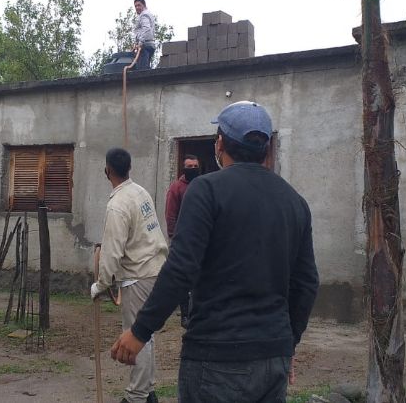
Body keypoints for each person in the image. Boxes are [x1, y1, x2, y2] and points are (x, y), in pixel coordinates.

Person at [110, 101, 319, 403]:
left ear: (220, 144)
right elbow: (306, 283)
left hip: (216, 357)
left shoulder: (206, 190)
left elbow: (181, 269)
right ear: (266, 148)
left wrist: (140, 331)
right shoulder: (295, 202)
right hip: (273, 356)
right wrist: (288, 344)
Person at [90, 148, 168, 403]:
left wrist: (101, 284)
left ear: (107, 170)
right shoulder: (140, 192)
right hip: (155, 270)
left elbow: (112, 251)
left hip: (138, 276)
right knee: (146, 333)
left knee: (136, 334)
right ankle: (147, 391)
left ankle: (137, 396)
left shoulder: (117, 205)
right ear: (129, 167)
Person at [165, 155, 200, 328]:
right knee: (183, 278)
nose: (193, 169)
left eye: (195, 166)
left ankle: (197, 312)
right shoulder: (176, 188)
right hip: (182, 240)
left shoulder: (202, 185)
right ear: (183, 168)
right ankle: (185, 314)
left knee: (198, 278)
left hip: (200, 240)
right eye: (189, 166)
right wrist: (174, 236)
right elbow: (170, 214)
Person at [133, 0, 156, 70]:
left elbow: (146, 29)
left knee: (141, 71)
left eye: (139, 5)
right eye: (135, 6)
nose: (137, 7)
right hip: (149, 45)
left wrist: (140, 42)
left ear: (144, 5)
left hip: (145, 46)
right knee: (145, 69)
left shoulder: (144, 15)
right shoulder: (148, 14)